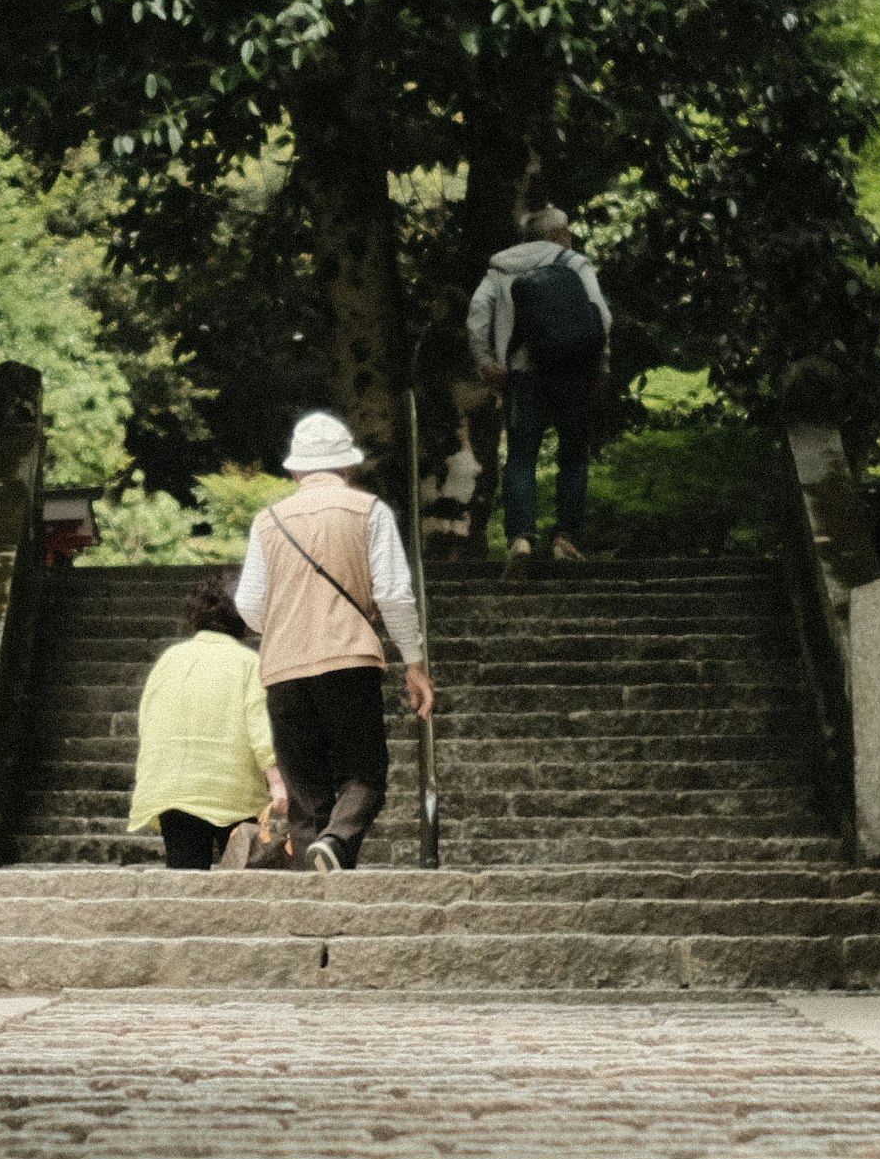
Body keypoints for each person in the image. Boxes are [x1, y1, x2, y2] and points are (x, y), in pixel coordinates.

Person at [233, 412, 437, 871]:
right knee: (363, 772)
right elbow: (392, 593)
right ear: (348, 467)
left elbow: (247, 605)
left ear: (294, 470)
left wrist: (288, 626)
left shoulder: (267, 522)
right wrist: (414, 662)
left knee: (305, 791)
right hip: (349, 659)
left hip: (284, 668)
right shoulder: (370, 511)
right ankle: (340, 841)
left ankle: (316, 876)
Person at [467, 206, 611, 567]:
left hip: (522, 377)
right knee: (574, 457)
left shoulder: (499, 269)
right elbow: (601, 316)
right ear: (558, 234)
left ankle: (520, 539)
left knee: (520, 457)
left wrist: (486, 361)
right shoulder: (574, 263)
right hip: (572, 374)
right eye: (567, 230)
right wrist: (601, 364)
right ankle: (565, 538)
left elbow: (477, 315)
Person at [128, 575, 285, 869]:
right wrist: (277, 782)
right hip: (232, 790)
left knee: (186, 877)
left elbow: (148, 718)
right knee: (240, 886)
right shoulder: (248, 663)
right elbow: (260, 728)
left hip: (172, 786)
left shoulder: (170, 659)